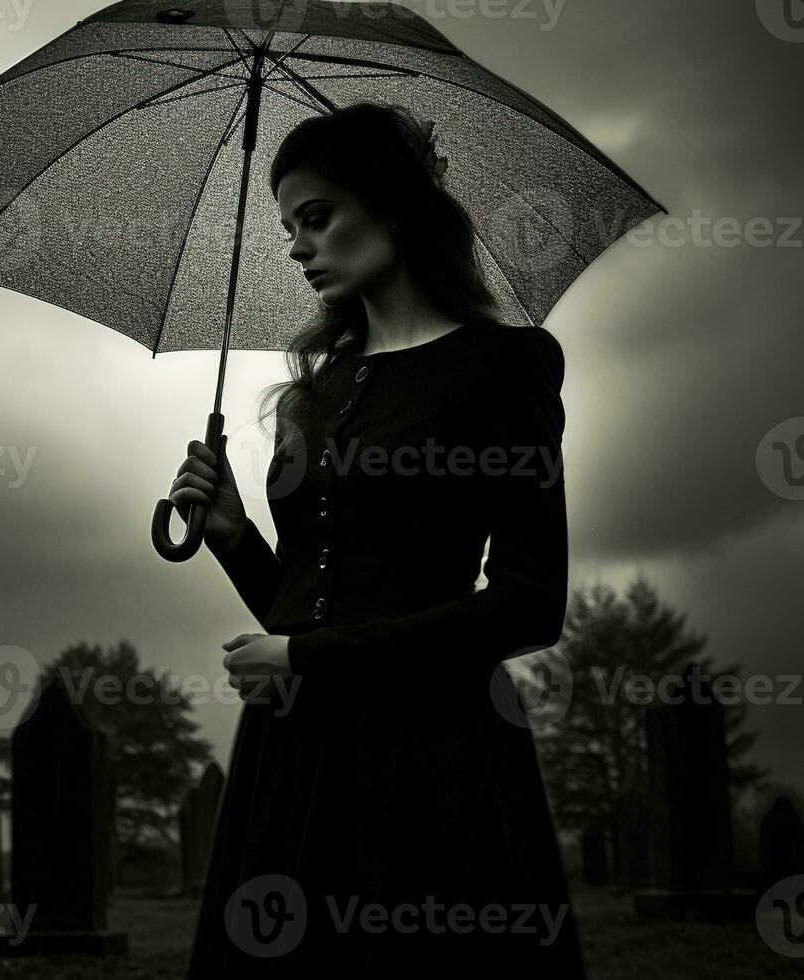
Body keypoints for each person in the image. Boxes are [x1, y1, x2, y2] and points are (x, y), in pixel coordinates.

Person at [169, 102, 585, 977]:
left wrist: (308, 661)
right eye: (288, 226)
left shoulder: (502, 367)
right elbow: (306, 604)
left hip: (433, 753)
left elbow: (528, 604)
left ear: (392, 206)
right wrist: (234, 535)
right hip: (294, 749)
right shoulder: (306, 401)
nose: (296, 247)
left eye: (316, 218)